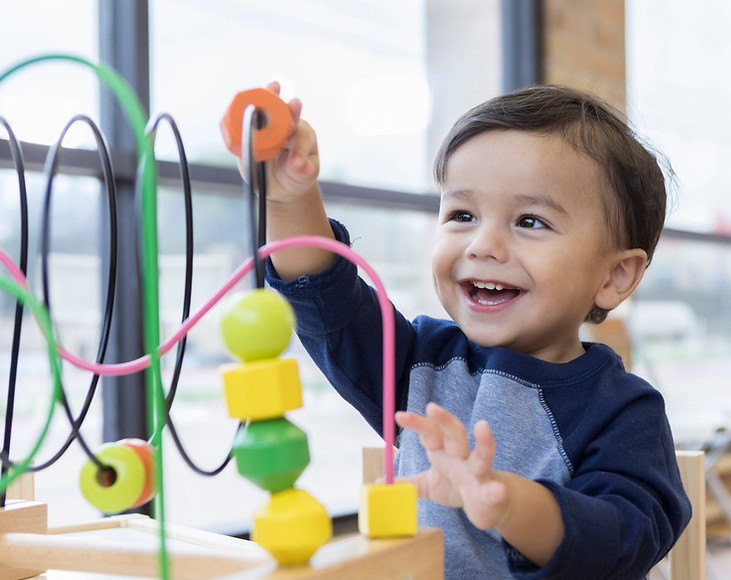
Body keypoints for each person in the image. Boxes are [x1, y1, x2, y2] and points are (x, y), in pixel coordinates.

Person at [255, 81, 691, 579]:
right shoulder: (419, 360)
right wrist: (290, 198)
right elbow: (325, 297)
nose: (483, 244)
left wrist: (505, 504)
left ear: (614, 276)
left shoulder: (622, 410)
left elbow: (625, 538)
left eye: (530, 221)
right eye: (462, 214)